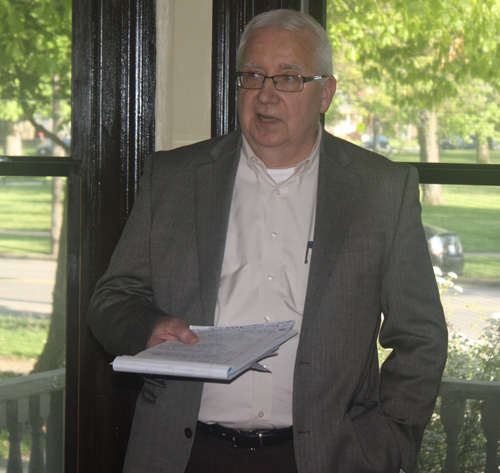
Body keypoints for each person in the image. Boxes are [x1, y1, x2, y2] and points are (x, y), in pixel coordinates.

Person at [88, 9, 447, 473]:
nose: (266, 95)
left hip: (325, 457)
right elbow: (113, 297)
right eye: (253, 75)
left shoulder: (381, 190)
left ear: (327, 92)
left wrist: (388, 442)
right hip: (184, 453)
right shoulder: (173, 178)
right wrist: (148, 328)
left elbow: (420, 336)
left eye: (290, 78)